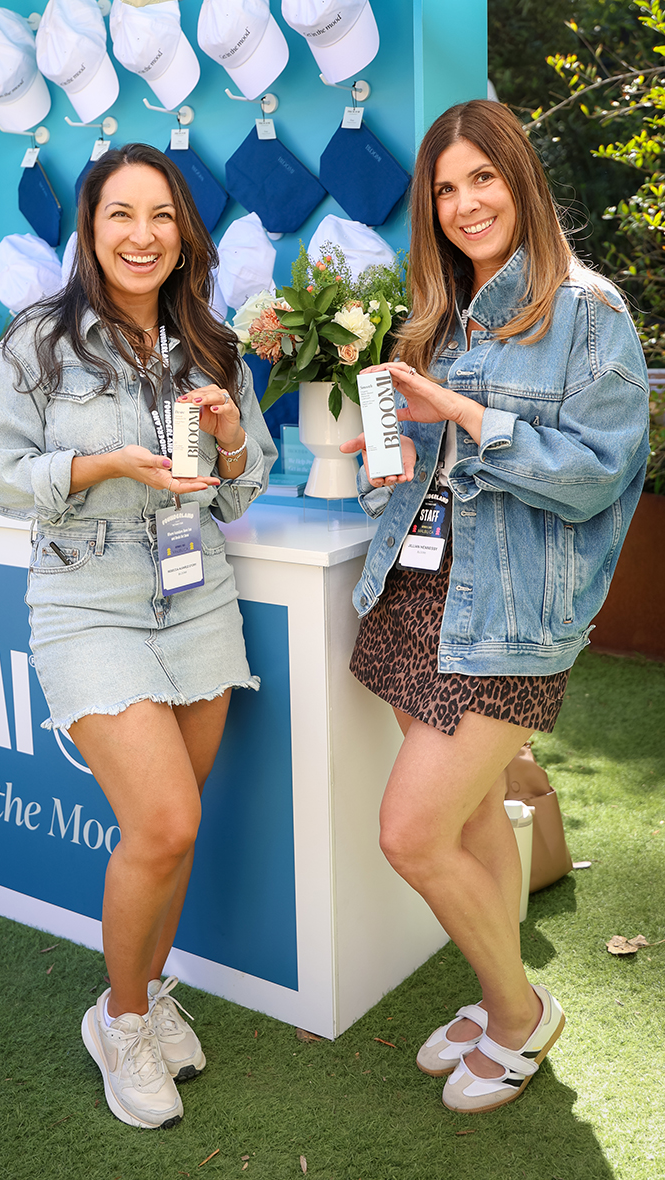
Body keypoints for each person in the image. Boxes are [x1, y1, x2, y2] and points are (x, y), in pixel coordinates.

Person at [341, 100, 649, 1114]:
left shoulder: (587, 311)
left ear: (519, 179)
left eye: (482, 178)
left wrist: (466, 414)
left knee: (407, 832)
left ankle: (519, 1014)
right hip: (412, 593)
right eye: (444, 187)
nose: (464, 202)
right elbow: (424, 471)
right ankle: (493, 995)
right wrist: (378, 460)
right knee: (470, 814)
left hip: (509, 616)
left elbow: (595, 477)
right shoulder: (434, 312)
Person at [0, 143, 276, 1130]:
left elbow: (238, 490)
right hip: (85, 599)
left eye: (161, 216)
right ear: (90, 228)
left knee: (174, 823)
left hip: (197, 597)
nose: (142, 235)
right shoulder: (36, 342)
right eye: (120, 215)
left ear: (183, 230)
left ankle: (147, 996)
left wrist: (231, 427)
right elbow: (2, 476)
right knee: (165, 822)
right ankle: (117, 1017)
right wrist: (103, 462)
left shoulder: (212, 338)